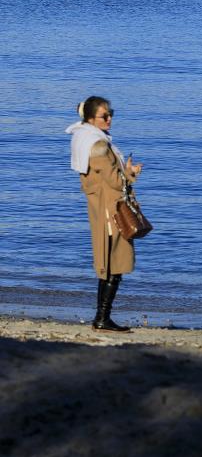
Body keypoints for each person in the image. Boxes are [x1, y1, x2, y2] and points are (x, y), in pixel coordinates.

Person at [66, 96, 143, 332]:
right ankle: (102, 318)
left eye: (111, 114)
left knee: (109, 264)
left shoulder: (84, 138)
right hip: (112, 209)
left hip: (102, 207)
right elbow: (114, 181)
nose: (109, 119)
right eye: (104, 116)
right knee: (114, 264)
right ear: (90, 118)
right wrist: (130, 173)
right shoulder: (98, 146)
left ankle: (102, 317)